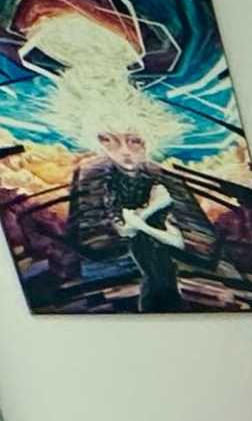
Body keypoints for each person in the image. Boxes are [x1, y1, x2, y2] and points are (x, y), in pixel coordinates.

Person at [66, 125, 207, 310]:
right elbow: (93, 240)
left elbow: (199, 241)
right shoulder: (92, 172)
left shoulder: (165, 176)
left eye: (134, 141)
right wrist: (144, 216)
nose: (124, 151)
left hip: (166, 274)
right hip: (113, 278)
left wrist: (138, 222)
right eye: (110, 141)